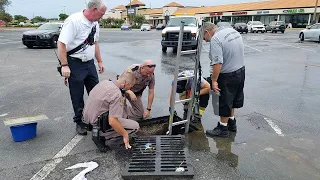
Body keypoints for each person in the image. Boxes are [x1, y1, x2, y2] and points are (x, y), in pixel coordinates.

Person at [57, 0, 106, 135]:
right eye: (101, 14)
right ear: (94, 9)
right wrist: (64, 65)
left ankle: (95, 118)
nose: (102, 17)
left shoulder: (95, 23)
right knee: (77, 94)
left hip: (89, 63)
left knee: (95, 93)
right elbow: (61, 44)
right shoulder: (73, 21)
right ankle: (79, 122)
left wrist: (100, 61)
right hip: (75, 63)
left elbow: (95, 43)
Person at [203, 22, 245, 137]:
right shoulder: (232, 31)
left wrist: (214, 80)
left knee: (225, 101)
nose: (205, 41)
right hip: (240, 71)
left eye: (204, 37)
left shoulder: (216, 39)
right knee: (233, 99)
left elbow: (218, 63)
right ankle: (232, 122)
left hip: (228, 75)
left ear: (207, 32)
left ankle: (223, 128)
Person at [82, 71, 139, 152]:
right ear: (126, 84)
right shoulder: (116, 94)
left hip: (86, 116)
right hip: (96, 122)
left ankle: (100, 130)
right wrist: (125, 134)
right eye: (130, 87)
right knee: (135, 126)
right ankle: (102, 137)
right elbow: (112, 121)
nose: (130, 89)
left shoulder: (106, 82)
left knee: (123, 108)